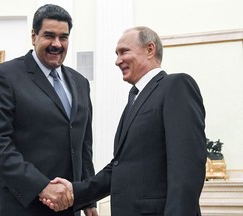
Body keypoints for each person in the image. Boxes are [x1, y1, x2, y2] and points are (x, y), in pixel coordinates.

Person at [42, 26, 207, 216]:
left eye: (124, 52)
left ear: (150, 49)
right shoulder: (135, 99)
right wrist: (75, 191)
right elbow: (120, 167)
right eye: (116, 54)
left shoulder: (176, 86)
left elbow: (186, 168)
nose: (117, 61)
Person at [0, 4, 97, 216]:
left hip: (68, 208)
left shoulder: (80, 82)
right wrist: (42, 186)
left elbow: (83, 147)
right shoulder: (3, 77)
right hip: (18, 206)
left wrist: (88, 198)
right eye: (49, 36)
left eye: (64, 37)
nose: (57, 44)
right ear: (34, 36)